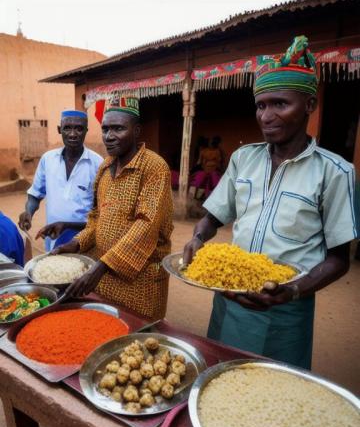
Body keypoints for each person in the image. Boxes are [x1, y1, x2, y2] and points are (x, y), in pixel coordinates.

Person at [183, 36, 358, 370]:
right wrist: (197, 237)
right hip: (229, 295)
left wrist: (292, 291)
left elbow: (338, 260)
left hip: (285, 310)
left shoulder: (335, 172)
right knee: (220, 377)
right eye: (261, 105)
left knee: (271, 397)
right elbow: (214, 216)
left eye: (280, 104)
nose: (266, 115)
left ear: (309, 104)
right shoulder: (242, 159)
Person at [53, 97, 173, 320]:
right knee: (105, 328)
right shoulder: (105, 167)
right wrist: (76, 243)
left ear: (137, 131)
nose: (109, 136)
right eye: (105, 129)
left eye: (118, 129)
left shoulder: (154, 168)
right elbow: (96, 217)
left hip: (141, 282)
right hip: (104, 279)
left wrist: (100, 267)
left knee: (138, 338)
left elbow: (146, 226)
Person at [18, 110, 103, 250]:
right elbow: (35, 195)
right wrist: (28, 211)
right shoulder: (48, 159)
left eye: (79, 128)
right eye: (67, 128)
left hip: (85, 242)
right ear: (59, 130)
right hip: (53, 239)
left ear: (86, 131)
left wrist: (68, 226)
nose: (73, 134)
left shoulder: (98, 163)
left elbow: (101, 213)